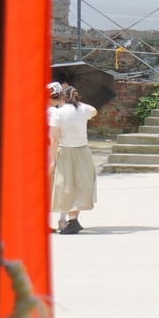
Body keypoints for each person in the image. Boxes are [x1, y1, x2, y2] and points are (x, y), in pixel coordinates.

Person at [48, 83, 97, 234]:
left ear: (62, 98)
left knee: (65, 185)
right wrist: (79, 103)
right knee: (80, 184)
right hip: (83, 151)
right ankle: (73, 220)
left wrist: (53, 159)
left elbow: (54, 137)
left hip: (65, 150)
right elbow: (94, 111)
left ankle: (71, 220)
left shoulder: (59, 113)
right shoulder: (83, 110)